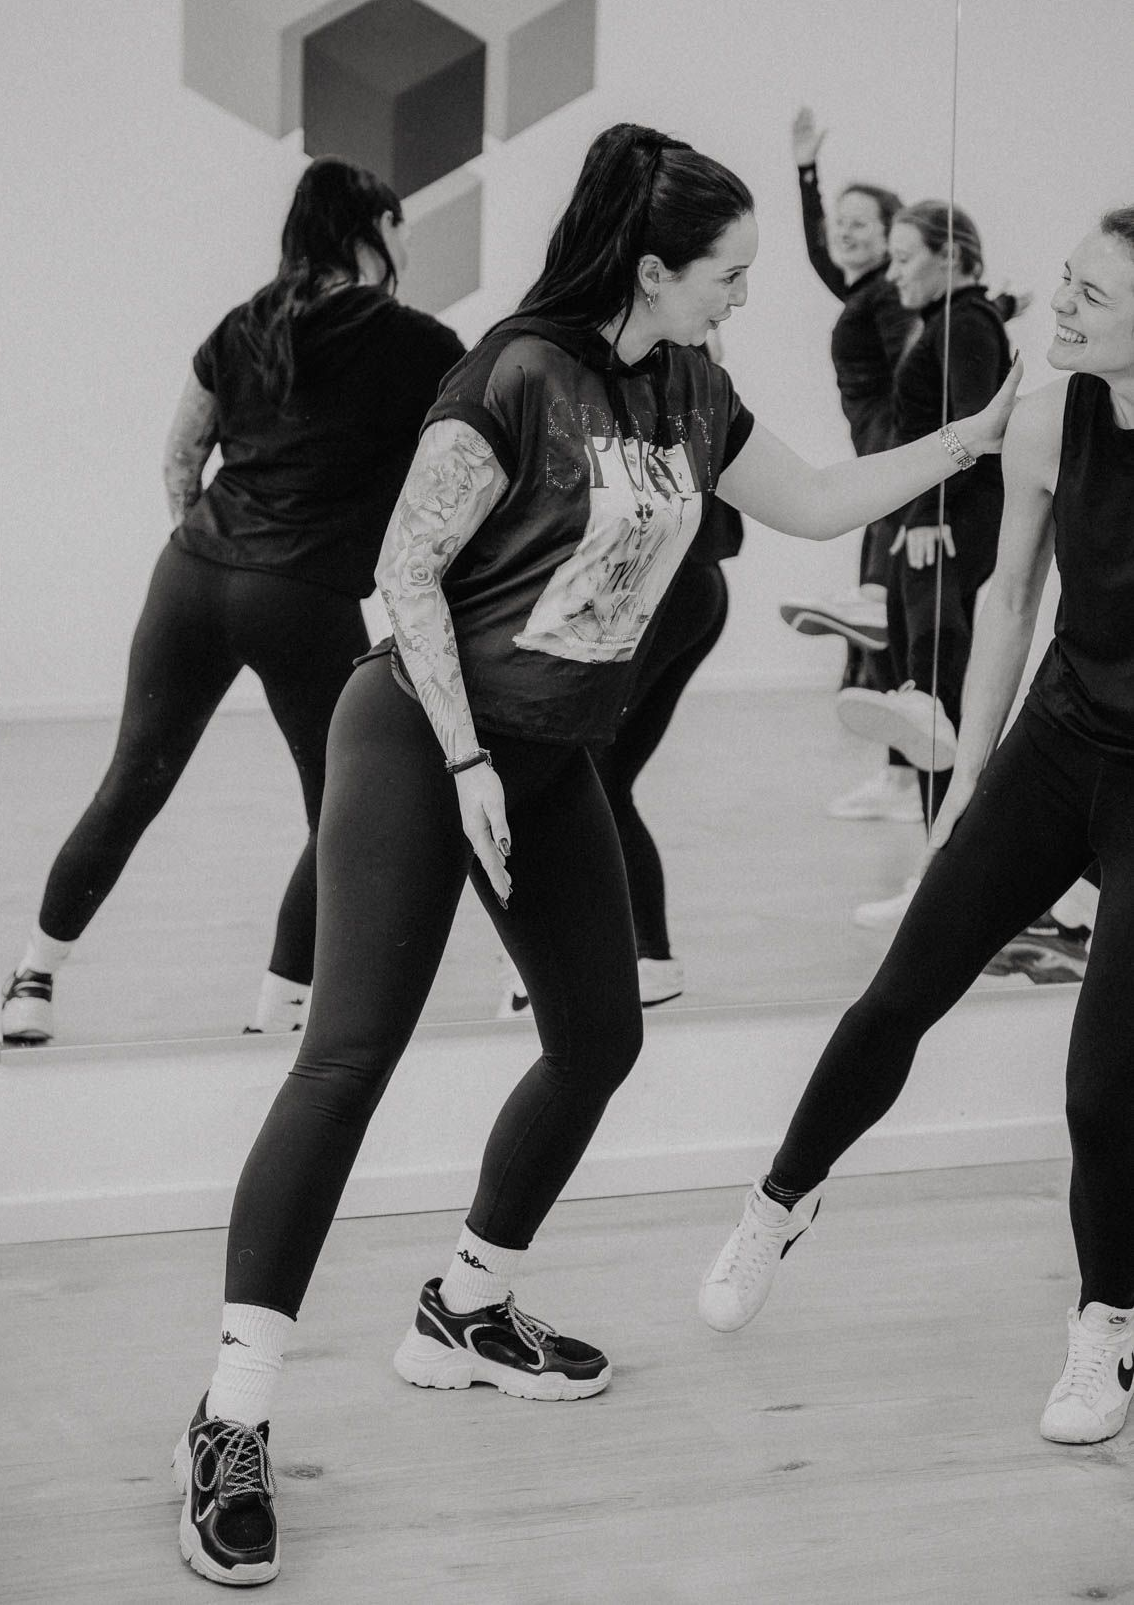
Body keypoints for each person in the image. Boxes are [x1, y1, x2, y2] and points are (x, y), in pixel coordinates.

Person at [171, 123, 1019, 1588]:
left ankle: (464, 1304)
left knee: (598, 1037)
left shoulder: (692, 386)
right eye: (728, 273)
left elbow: (816, 500)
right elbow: (403, 573)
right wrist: (460, 763)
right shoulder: (511, 374)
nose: (743, 295)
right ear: (650, 267)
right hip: (418, 732)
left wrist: (969, 437)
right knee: (348, 1057)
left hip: (545, 748)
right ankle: (230, 1414)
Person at [699, 208, 1134, 1449]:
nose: (1059, 304)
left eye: (1092, 296)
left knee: (1103, 1088)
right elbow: (1008, 600)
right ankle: (780, 1199)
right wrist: (965, 788)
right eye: (1067, 280)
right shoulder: (1048, 420)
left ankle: (1106, 1321)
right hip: (1058, 743)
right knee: (898, 995)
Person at [0, 158, 463, 1045]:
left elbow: (181, 455)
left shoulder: (241, 322)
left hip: (191, 575)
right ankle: (279, 1008)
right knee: (342, 806)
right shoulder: (419, 342)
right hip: (299, 593)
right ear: (372, 230)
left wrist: (214, 544)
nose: (407, 241)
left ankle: (32, 979)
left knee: (130, 783)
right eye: (400, 224)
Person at [497, 333, 744, 1018]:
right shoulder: (682, 378)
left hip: (668, 592)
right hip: (692, 590)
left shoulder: (657, 379)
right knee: (601, 779)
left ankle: (617, 957)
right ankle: (640, 956)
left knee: (584, 774)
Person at [833, 200, 1012, 927]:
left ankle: (945, 888)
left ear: (950, 257)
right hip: (934, 524)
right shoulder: (958, 320)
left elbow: (975, 429)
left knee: (937, 705)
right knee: (933, 702)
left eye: (905, 258)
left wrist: (929, 513)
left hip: (944, 528)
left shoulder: (964, 323)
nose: (894, 273)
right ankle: (946, 880)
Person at [776, 107, 921, 824]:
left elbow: (915, 376)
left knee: (895, 623)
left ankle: (907, 778)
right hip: (880, 471)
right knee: (888, 628)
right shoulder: (866, 290)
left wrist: (900, 473)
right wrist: (806, 171)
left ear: (892, 234)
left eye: (861, 222)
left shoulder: (888, 295)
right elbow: (819, 253)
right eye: (841, 219)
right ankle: (898, 777)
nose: (844, 230)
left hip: (890, 472)